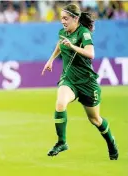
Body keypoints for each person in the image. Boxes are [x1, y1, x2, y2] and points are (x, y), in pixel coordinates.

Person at [41, 4, 118, 160]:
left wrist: (73, 46)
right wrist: (50, 60)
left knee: (95, 119)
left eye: (65, 18)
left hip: (87, 82)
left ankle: (111, 143)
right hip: (69, 79)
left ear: (75, 18)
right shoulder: (63, 32)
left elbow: (91, 54)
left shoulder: (84, 33)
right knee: (60, 103)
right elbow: (60, 43)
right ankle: (62, 142)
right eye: (61, 18)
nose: (62, 21)